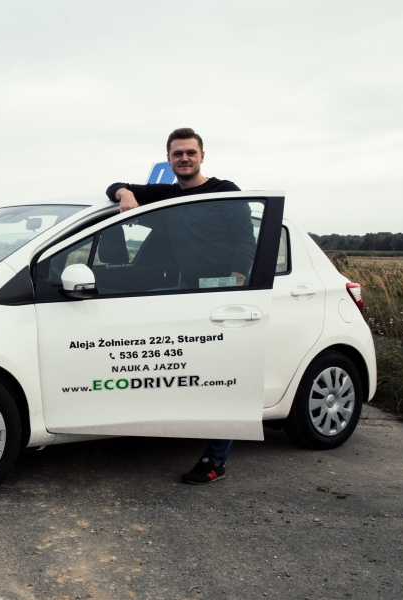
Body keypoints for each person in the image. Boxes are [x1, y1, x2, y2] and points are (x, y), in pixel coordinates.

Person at [105, 127, 244, 485]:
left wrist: (238, 285)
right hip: (185, 293)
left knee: (220, 382)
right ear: (168, 159)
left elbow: (246, 242)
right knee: (188, 374)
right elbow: (115, 186)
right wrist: (125, 194)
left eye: (190, 153)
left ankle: (216, 460)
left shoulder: (224, 191)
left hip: (222, 295)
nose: (184, 158)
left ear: (202, 156)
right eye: (177, 153)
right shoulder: (167, 194)